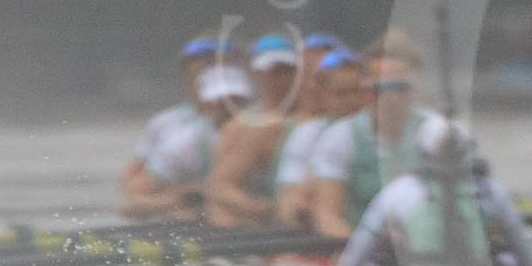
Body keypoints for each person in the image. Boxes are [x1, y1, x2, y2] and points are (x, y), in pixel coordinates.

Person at [337, 114, 532, 266]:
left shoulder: (398, 192)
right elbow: (527, 263)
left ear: (421, 152)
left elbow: (352, 264)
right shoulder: (493, 192)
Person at [306, 40, 438, 240]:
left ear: (413, 90)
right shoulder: (341, 137)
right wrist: (361, 250)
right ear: (365, 91)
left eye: (400, 88)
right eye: (381, 90)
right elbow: (326, 216)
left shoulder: (438, 132)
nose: (392, 98)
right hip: (363, 252)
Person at [119, 65, 251, 219]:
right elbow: (132, 204)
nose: (228, 107)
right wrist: (180, 199)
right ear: (203, 104)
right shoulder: (184, 145)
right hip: (197, 222)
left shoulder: (270, 134)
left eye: (235, 99)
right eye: (219, 101)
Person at [118, 33, 234, 205]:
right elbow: (131, 186)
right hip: (177, 206)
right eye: (198, 75)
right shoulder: (165, 122)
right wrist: (174, 198)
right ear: (185, 79)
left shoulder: (257, 121)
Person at [203, 33, 302, 227]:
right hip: (258, 226)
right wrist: (256, 209)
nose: (279, 78)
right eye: (271, 71)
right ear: (255, 73)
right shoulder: (243, 126)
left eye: (285, 70)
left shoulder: (311, 118)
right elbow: (219, 189)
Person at [275, 47, 366, 229]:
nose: (352, 101)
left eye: (357, 92)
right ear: (323, 96)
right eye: (341, 94)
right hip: (327, 240)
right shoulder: (306, 134)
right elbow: (289, 201)